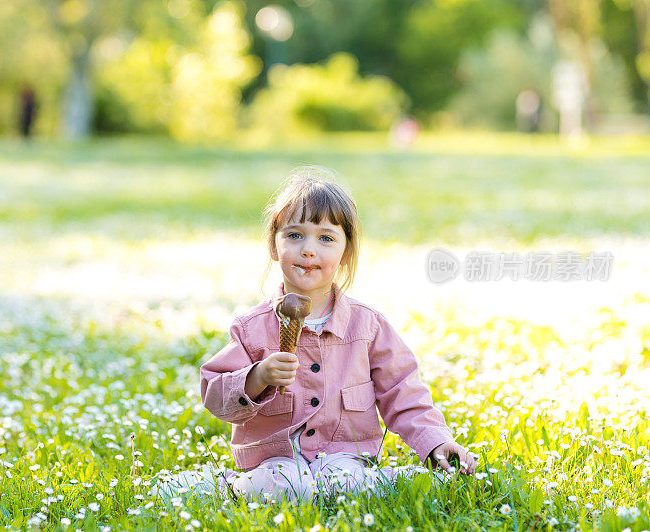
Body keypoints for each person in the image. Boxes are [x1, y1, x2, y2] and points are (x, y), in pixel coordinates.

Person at [199, 166, 478, 502]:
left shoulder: (368, 327)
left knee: (347, 486)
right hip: (276, 460)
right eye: (294, 235)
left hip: (343, 456)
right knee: (284, 488)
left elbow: (403, 391)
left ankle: (395, 479)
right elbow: (215, 396)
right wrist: (256, 377)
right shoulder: (251, 328)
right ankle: (221, 486)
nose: (308, 249)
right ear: (274, 246)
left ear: (345, 252)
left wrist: (434, 439)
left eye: (326, 238)